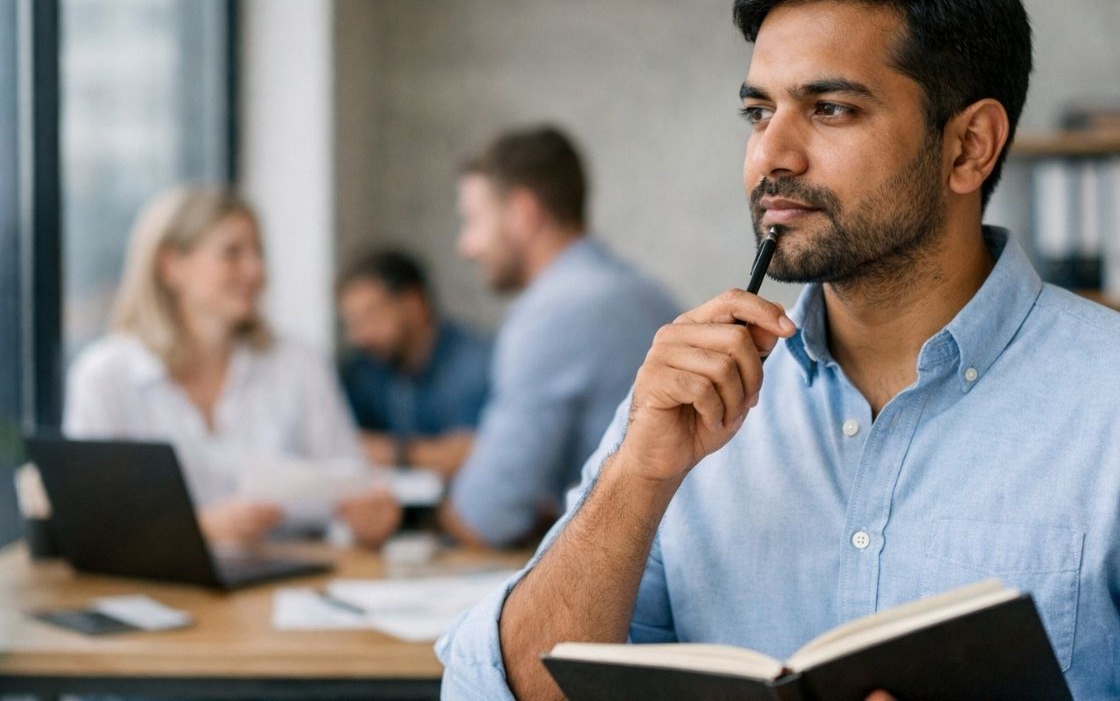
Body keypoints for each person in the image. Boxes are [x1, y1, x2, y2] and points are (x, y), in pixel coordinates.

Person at [437, 0, 1120, 700]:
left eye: (830, 109)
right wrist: (634, 477)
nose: (772, 155)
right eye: (758, 111)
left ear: (968, 146)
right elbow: (500, 690)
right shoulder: (683, 403)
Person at [64, 187, 401, 549]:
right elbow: (90, 524)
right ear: (171, 266)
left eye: (259, 253)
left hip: (288, 585)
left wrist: (368, 521)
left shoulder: (299, 364)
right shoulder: (104, 375)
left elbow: (349, 486)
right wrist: (199, 527)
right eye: (232, 253)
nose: (256, 270)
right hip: (158, 590)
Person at [439, 126, 681, 548]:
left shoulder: (553, 311)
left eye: (474, 221)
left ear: (523, 214)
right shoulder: (645, 292)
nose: (466, 246)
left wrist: (436, 516)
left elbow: (486, 517)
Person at [338, 250, 492, 479]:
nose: (361, 336)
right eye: (352, 323)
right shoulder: (365, 369)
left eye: (371, 316)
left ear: (413, 303)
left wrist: (393, 453)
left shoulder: (473, 363)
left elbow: (477, 454)